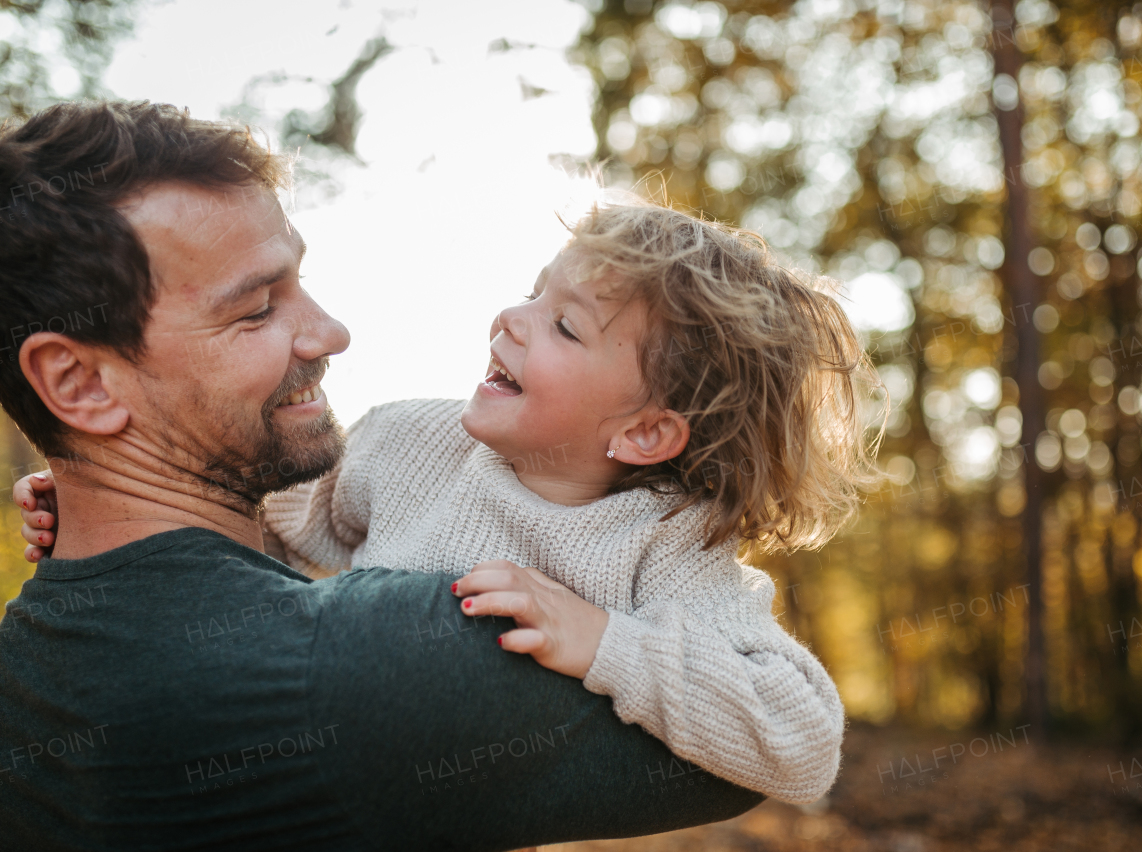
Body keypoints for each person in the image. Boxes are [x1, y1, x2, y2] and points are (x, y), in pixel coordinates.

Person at [0, 100, 764, 851]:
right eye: (259, 308)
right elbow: (750, 751)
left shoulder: (25, 676)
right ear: (79, 385)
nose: (331, 332)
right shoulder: (405, 651)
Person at [20, 201, 882, 804]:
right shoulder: (407, 443)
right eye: (534, 290)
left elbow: (801, 744)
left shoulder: (664, 544)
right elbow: (270, 537)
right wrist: (102, 511)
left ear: (647, 435)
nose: (512, 316)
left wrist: (607, 644)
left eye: (564, 326)